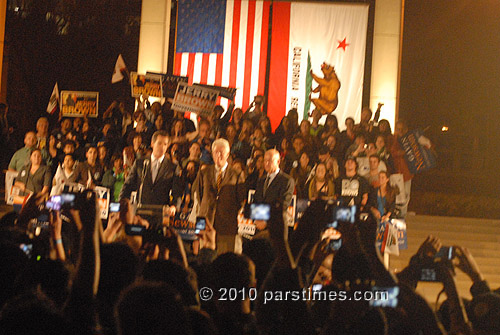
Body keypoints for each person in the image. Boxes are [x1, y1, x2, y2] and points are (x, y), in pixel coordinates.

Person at [192, 138, 246, 254]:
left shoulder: (237, 174)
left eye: (222, 152)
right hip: (206, 222)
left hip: (227, 225)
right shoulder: (203, 172)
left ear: (227, 154)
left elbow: (240, 200)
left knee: (224, 261)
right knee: (204, 260)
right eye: (216, 152)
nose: (219, 155)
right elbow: (199, 196)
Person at [120, 130, 176, 206]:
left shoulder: (171, 167)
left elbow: (176, 191)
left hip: (160, 211)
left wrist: (174, 206)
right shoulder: (140, 163)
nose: (162, 147)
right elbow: (128, 185)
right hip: (141, 208)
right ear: (152, 143)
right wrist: (122, 203)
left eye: (165, 144)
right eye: (159, 143)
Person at [253, 149, 295, 232]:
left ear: (278, 161)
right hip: (258, 229)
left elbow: (283, 205)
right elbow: (256, 201)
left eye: (270, 161)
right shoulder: (261, 180)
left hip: (276, 229)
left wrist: (265, 222)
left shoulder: (287, 180)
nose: (267, 163)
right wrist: (256, 220)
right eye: (265, 160)